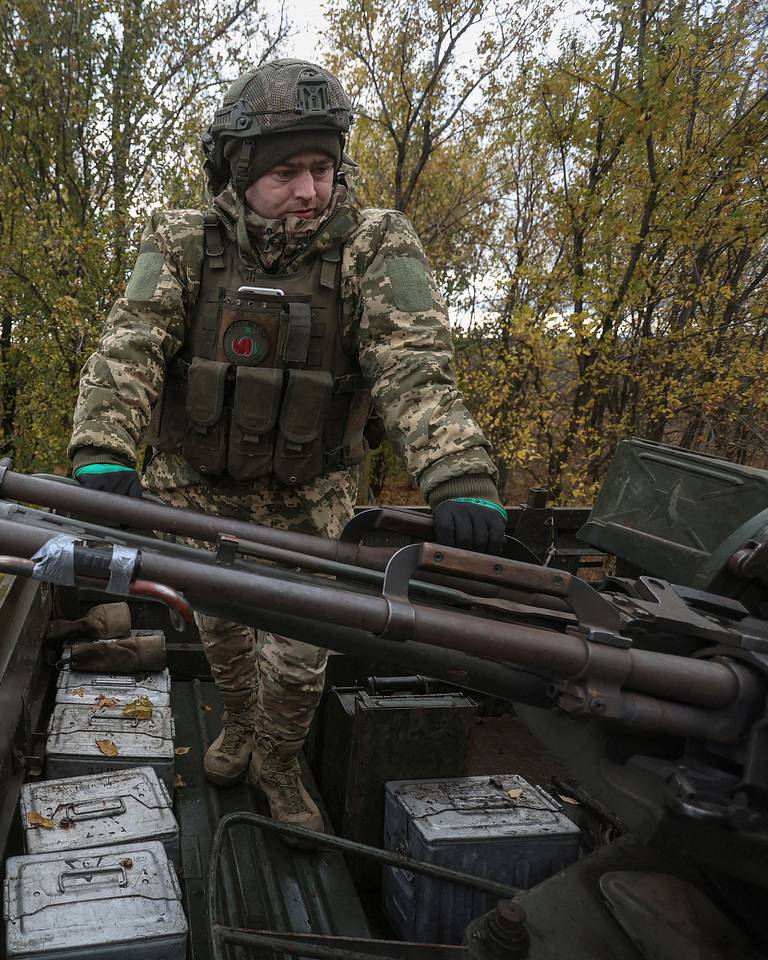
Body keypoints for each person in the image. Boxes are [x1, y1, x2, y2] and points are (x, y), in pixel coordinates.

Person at [66, 59, 505, 835]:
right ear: (238, 174)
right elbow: (130, 348)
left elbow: (413, 366)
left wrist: (457, 472)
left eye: (324, 167)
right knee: (222, 631)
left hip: (312, 501)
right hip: (198, 493)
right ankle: (238, 725)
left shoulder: (374, 243)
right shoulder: (182, 241)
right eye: (287, 172)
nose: (310, 190)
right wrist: (104, 451)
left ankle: (277, 762)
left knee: (300, 657)